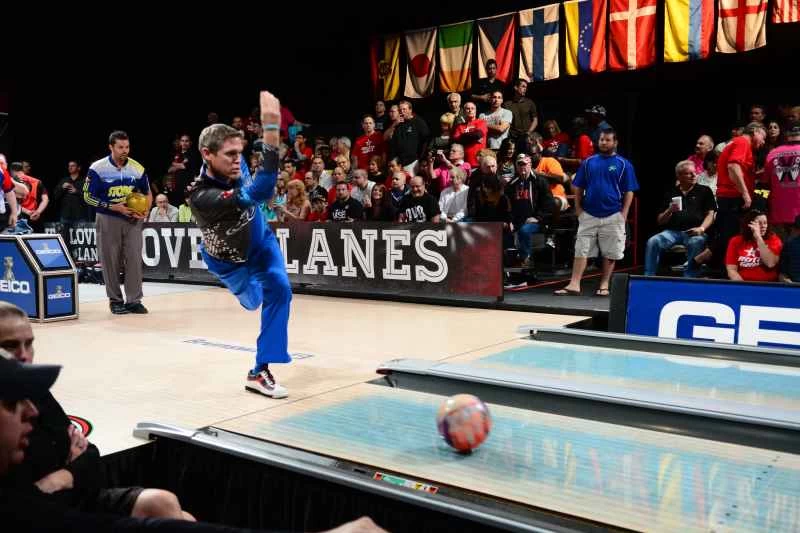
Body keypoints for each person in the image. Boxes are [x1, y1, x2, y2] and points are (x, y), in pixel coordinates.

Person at [0, 355, 386, 533]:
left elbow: (91, 458)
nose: (31, 410)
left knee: (167, 505)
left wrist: (62, 477)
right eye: (13, 401)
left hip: (75, 497)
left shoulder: (34, 429)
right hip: (72, 503)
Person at [189, 91, 291, 399]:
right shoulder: (201, 196)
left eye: (239, 152)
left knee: (280, 289)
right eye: (229, 154)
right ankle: (250, 291)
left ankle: (259, 371)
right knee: (253, 302)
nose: (237, 160)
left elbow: (262, 189)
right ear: (207, 154)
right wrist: (271, 131)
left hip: (261, 244)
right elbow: (259, 191)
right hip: (229, 262)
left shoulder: (237, 165)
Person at [555, 128, 639, 296]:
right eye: (601, 140)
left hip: (613, 214)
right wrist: (578, 209)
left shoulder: (623, 164)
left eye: (608, 140)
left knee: (610, 252)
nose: (604, 143)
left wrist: (624, 213)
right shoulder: (589, 162)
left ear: (615, 142)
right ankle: (574, 284)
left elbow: (629, 190)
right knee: (581, 249)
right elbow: (579, 187)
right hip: (589, 214)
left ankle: (604, 284)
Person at [84, 131, 151, 315]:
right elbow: (87, 196)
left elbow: (147, 192)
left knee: (134, 259)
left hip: (132, 218)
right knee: (110, 260)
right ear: (111, 147)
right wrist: (113, 207)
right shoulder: (97, 168)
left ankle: (134, 301)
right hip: (108, 218)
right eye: (120, 147)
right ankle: (115, 300)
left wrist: (145, 210)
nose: (124, 151)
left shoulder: (137, 168)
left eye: (127, 147)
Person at [725, 210, 782, 282]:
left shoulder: (774, 240)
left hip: (767, 284)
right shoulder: (736, 241)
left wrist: (758, 238)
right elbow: (732, 270)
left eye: (765, 223)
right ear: (749, 224)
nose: (763, 226)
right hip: (744, 284)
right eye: (759, 223)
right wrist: (744, 286)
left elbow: (770, 263)